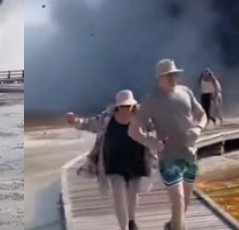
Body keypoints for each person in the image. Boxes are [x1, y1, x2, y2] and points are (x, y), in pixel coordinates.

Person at [129, 59, 207, 230]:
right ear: (159, 78)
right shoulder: (151, 100)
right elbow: (133, 130)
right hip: (168, 157)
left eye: (174, 74)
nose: (172, 78)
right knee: (178, 200)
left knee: (185, 202)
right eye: (168, 75)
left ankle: (172, 226)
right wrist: (150, 141)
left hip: (189, 154)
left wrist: (198, 129)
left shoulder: (185, 92)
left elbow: (202, 114)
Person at [67, 90, 151, 230]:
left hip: (136, 161)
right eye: (123, 106)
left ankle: (131, 220)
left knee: (133, 193)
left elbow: (158, 129)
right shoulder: (107, 117)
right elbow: (90, 124)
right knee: (118, 194)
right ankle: (123, 227)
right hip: (114, 162)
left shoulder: (142, 117)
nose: (126, 108)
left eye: (128, 105)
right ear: (117, 106)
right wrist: (76, 122)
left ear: (133, 105)